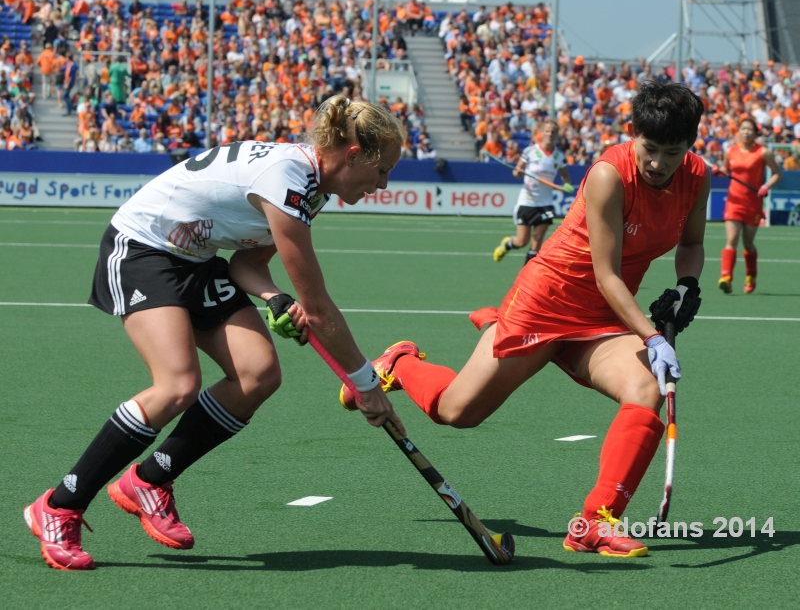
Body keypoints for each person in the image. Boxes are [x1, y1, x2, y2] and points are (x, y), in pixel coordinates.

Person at [24, 95, 407, 571]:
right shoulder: (288, 180)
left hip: (197, 261)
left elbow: (246, 263)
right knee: (177, 384)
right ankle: (59, 506)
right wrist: (367, 385)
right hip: (144, 249)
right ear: (353, 156)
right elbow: (321, 310)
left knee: (258, 373)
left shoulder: (313, 187)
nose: (383, 184)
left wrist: (273, 297)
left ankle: (148, 480)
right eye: (383, 171)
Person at [340, 82, 709, 558]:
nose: (658, 163)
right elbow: (605, 274)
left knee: (646, 388)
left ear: (690, 147)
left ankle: (595, 523)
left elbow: (693, 245)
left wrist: (686, 286)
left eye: (672, 152)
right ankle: (399, 362)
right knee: (457, 412)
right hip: (546, 301)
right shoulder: (609, 175)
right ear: (633, 134)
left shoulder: (696, 177)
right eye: (650, 148)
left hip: (601, 318)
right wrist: (653, 335)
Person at [712, 117, 782, 294]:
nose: (746, 132)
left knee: (748, 243)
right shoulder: (731, 151)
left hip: (753, 203)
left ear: (755, 132)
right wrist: (720, 171)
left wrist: (766, 186)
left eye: (749, 129)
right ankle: (726, 277)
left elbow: (777, 174)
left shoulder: (763, 152)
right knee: (732, 239)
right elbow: (726, 171)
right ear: (738, 131)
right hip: (734, 201)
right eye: (743, 129)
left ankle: (751, 275)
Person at [493, 121, 574, 265]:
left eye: (553, 132)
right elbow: (517, 172)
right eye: (547, 131)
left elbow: (565, 176)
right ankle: (507, 245)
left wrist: (566, 185)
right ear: (542, 132)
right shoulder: (530, 151)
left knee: (537, 241)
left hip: (545, 203)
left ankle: (526, 276)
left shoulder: (559, 156)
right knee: (522, 241)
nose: (550, 134)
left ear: (556, 134)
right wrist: (518, 172)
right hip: (527, 201)